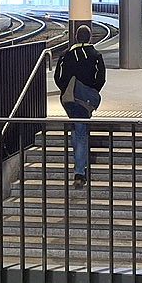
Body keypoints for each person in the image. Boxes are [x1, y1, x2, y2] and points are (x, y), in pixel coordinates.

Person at [54, 25, 106, 188]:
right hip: (85, 100)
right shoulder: (95, 55)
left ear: (76, 37)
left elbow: (57, 76)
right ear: (89, 38)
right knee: (81, 134)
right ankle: (79, 173)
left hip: (69, 99)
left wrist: (67, 89)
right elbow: (101, 78)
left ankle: (80, 163)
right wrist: (91, 91)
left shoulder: (66, 55)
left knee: (76, 130)